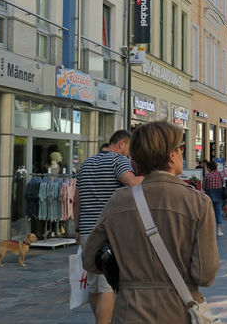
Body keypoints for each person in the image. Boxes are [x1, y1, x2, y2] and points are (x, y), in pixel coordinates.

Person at [82, 122, 219, 323]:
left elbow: (90, 260)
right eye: (181, 148)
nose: (182, 153)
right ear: (172, 155)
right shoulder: (198, 202)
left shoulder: (119, 200)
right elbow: (205, 275)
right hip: (178, 311)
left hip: (130, 311)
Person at [74, 130, 143, 324]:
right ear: (122, 144)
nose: (130, 154)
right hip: (109, 233)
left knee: (96, 284)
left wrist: (78, 230)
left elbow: (76, 201)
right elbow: (132, 183)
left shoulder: (86, 163)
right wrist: (159, 178)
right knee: (106, 287)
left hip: (88, 232)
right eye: (130, 148)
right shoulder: (118, 161)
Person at [203, 160, 225, 237]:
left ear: (209, 168)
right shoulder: (220, 174)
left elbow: (204, 187)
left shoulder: (207, 176)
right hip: (219, 195)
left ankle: (210, 230)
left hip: (210, 195)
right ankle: (219, 230)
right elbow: (223, 183)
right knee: (218, 212)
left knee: (210, 213)